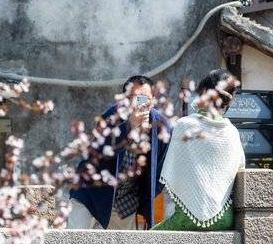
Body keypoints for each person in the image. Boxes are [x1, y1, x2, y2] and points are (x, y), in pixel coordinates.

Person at [67, 75, 172, 229]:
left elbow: (160, 170)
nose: (139, 103)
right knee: (74, 242)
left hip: (126, 202)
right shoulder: (113, 115)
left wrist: (144, 199)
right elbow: (97, 150)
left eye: (144, 98)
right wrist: (129, 126)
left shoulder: (161, 126)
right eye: (133, 98)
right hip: (92, 192)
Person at [152, 69, 245, 231]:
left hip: (187, 217)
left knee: (150, 237)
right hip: (225, 217)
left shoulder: (184, 125)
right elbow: (239, 169)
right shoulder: (232, 133)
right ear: (227, 101)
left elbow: (172, 171)